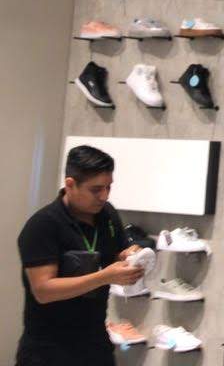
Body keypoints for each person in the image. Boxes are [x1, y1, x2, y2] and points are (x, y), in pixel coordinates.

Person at [16, 145, 142, 366]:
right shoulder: (43, 225)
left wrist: (130, 257)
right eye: (96, 189)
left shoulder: (108, 215)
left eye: (108, 187)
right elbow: (43, 290)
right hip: (47, 352)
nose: (104, 196)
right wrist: (104, 277)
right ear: (70, 184)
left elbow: (116, 256)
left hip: (96, 345)